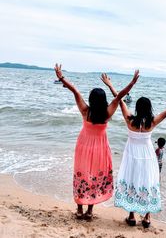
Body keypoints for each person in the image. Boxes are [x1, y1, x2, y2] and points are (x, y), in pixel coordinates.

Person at [101, 73, 166, 228]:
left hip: (132, 155)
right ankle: (147, 218)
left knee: (133, 181)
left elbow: (119, 99)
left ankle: (132, 216)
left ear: (137, 108)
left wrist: (110, 85)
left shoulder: (130, 120)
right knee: (148, 182)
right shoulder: (152, 122)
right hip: (147, 156)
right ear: (149, 109)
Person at [54, 64, 139, 220]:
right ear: (104, 100)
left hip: (83, 146)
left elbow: (75, 90)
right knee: (94, 176)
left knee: (82, 175)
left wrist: (61, 78)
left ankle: (79, 209)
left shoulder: (86, 111)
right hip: (100, 148)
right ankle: (90, 211)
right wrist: (132, 83)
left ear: (91, 100)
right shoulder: (107, 112)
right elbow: (120, 96)